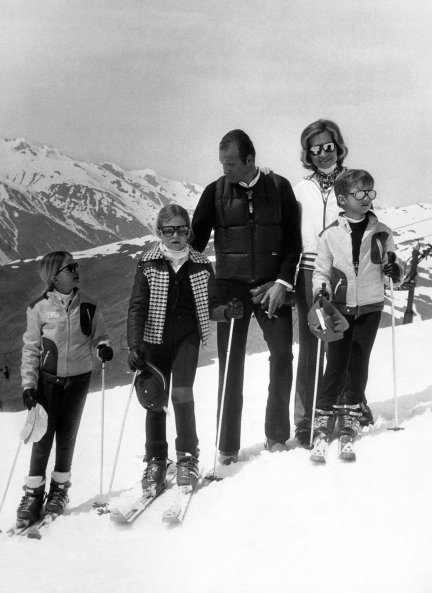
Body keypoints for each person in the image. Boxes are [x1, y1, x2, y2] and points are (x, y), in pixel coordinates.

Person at [191, 129, 301, 463]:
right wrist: (211, 287)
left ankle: (277, 436)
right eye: (222, 163)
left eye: (231, 163)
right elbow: (195, 246)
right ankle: (227, 447)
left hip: (272, 289)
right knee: (230, 365)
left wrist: (282, 283)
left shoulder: (280, 188)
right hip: (231, 290)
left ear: (250, 159)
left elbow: (293, 243)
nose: (226, 170)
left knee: (282, 357)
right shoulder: (214, 192)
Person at [127, 204, 241, 491]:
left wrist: (226, 312)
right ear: (159, 232)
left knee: (181, 395)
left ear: (189, 231)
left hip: (186, 338)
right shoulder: (148, 263)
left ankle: (187, 457)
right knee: (154, 399)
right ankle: (156, 458)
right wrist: (134, 344)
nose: (175, 235)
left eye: (181, 229)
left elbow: (211, 306)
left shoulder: (201, 264)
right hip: (154, 340)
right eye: (169, 230)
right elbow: (137, 307)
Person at [309, 169, 401, 461]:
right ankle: (324, 413)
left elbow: (394, 269)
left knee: (359, 360)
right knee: (336, 362)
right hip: (339, 306)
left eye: (370, 192)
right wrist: (321, 290)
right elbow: (321, 270)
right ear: (342, 199)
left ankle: (350, 413)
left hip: (371, 306)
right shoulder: (330, 234)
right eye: (359, 193)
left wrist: (393, 270)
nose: (366, 198)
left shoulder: (382, 231)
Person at [293, 119, 373, 447]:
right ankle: (306, 418)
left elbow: (366, 220)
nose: (324, 154)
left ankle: (346, 408)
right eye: (316, 150)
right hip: (310, 269)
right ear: (308, 154)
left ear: (338, 146)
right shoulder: (301, 189)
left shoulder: (353, 180)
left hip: (346, 271)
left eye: (329, 147)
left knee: (343, 343)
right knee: (312, 344)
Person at [17, 251, 113, 525]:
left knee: (67, 434)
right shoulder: (38, 308)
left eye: (76, 266)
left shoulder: (89, 306)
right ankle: (33, 492)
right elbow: (31, 348)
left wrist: (103, 348)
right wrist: (28, 385)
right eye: (70, 267)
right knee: (42, 436)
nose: (76, 270)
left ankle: (59, 490)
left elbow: (100, 337)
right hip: (48, 381)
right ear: (53, 276)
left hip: (79, 380)